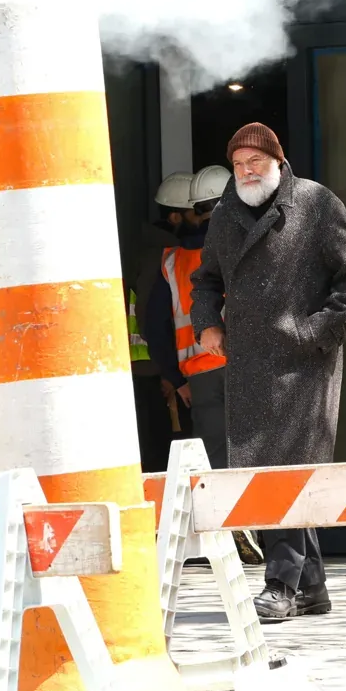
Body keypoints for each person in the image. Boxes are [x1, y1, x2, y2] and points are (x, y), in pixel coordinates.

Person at [191, 124, 346, 622]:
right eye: (238, 164)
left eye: (256, 162)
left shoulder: (315, 204)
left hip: (303, 364)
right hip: (248, 363)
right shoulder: (225, 215)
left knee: (286, 468)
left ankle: (279, 585)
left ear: (277, 161)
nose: (247, 172)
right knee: (270, 470)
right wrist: (207, 323)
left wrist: (315, 331)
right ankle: (310, 587)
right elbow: (205, 279)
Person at [146, 165, 263, 565]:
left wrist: (174, 376)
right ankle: (257, 525)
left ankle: (227, 533)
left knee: (213, 457)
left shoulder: (172, 262)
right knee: (258, 449)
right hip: (250, 365)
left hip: (201, 372)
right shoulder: (249, 243)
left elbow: (157, 327)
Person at [128, 172, 195, 471]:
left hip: (152, 369)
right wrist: (169, 373)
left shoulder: (147, 248)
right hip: (153, 373)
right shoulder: (161, 254)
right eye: (195, 211)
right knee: (163, 457)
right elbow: (150, 318)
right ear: (175, 217)